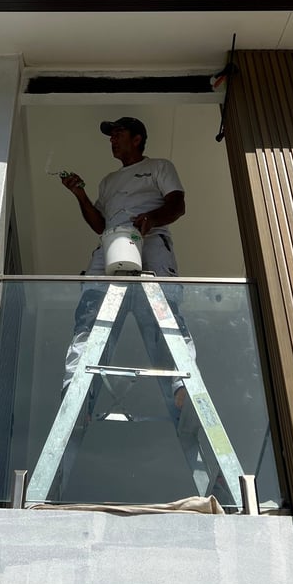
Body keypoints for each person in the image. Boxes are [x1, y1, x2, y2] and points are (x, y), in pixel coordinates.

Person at [59, 116, 191, 410]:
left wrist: (152, 218)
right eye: (110, 135)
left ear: (137, 138)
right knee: (91, 312)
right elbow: (99, 224)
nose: (112, 139)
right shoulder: (108, 182)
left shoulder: (158, 167)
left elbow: (177, 204)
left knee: (164, 314)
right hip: (112, 244)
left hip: (151, 240)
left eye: (118, 133)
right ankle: (78, 391)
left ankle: (183, 388)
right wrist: (79, 193)